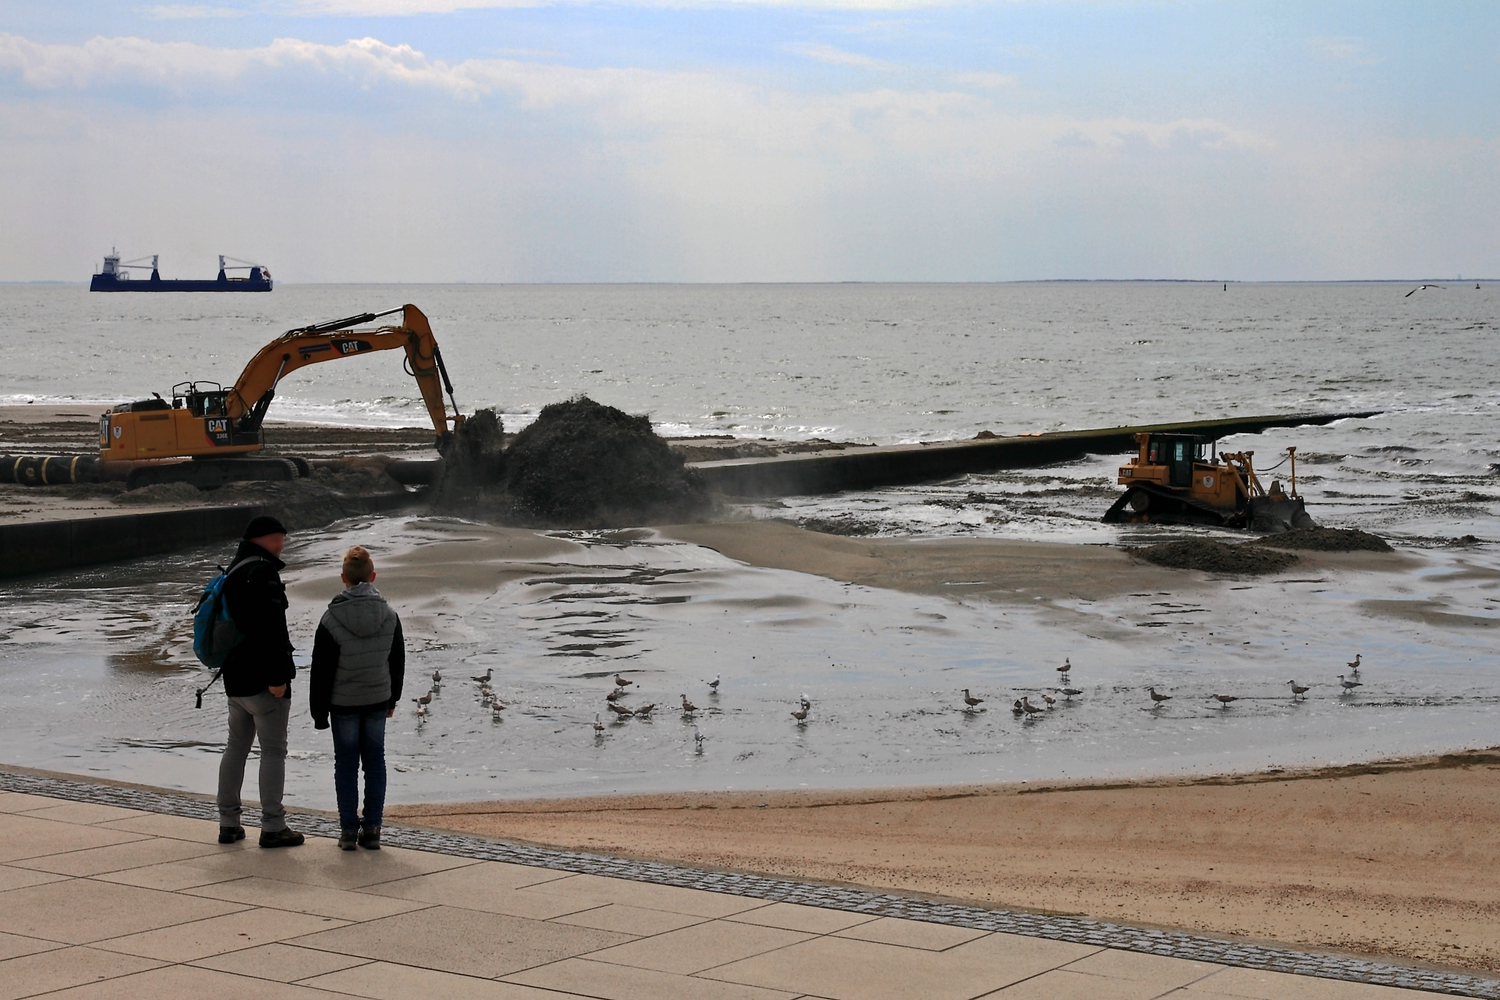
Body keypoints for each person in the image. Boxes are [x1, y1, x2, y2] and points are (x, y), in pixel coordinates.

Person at [216, 515, 305, 848]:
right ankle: (273, 826)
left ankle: (229, 823)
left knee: (236, 748)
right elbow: (270, 631)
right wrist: (279, 677)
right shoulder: (262, 573)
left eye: (282, 539)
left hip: (234, 678)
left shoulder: (234, 570)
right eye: (275, 539)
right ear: (260, 540)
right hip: (263, 681)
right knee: (273, 752)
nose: (280, 545)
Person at [309, 545, 405, 850]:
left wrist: (318, 713)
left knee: (346, 764)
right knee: (375, 762)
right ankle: (373, 827)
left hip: (343, 702)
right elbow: (397, 661)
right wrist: (393, 699)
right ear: (373, 576)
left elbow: (321, 669)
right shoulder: (389, 615)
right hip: (378, 698)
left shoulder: (330, 618)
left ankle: (349, 830)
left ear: (343, 578)